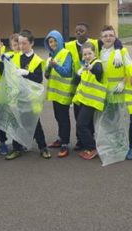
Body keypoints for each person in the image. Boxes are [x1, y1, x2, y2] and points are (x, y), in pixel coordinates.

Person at [5, 30, 51, 160]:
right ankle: (17, 148)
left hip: (32, 99)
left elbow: (38, 80)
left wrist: (26, 73)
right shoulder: (14, 57)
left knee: (35, 123)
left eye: (24, 43)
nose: (21, 46)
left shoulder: (37, 60)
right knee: (17, 123)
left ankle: (43, 147)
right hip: (18, 97)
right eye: (19, 43)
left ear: (31, 43)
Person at [65, 23, 99, 151]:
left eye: (82, 30)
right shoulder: (69, 45)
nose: (79, 32)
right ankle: (81, 141)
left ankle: (90, 144)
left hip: (90, 90)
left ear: (88, 32)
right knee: (77, 117)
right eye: (77, 30)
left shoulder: (95, 43)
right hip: (77, 88)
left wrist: (118, 49)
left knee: (86, 121)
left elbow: (114, 40)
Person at [71, 42, 105, 160]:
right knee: (87, 125)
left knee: (81, 125)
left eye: (89, 53)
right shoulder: (85, 65)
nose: (87, 56)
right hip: (84, 100)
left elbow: (98, 71)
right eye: (84, 54)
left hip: (92, 102)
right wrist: (79, 72)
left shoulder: (97, 63)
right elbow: (75, 81)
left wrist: (91, 68)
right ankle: (89, 147)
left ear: (94, 53)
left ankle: (92, 148)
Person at [44, 30, 74, 158]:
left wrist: (55, 65)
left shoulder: (66, 53)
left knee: (63, 118)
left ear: (60, 41)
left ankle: (65, 144)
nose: (53, 43)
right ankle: (60, 138)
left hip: (63, 93)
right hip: (55, 93)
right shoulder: (51, 55)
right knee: (58, 117)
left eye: (55, 40)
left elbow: (66, 72)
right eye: (50, 41)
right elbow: (47, 75)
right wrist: (48, 69)